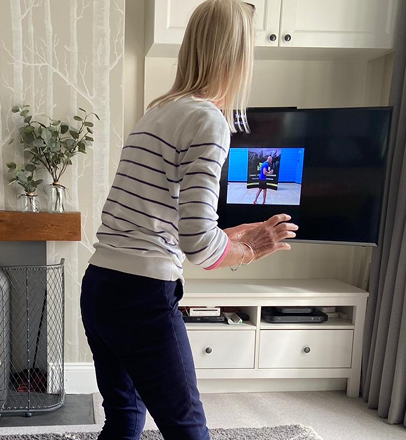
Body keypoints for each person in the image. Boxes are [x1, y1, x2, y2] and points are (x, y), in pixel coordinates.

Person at [81, 1, 298, 439]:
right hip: (142, 296)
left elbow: (166, 220)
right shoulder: (208, 120)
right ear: (239, 56)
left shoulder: (158, 112)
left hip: (101, 285)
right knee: (188, 430)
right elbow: (199, 244)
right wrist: (248, 252)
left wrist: (231, 236)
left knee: (125, 417)